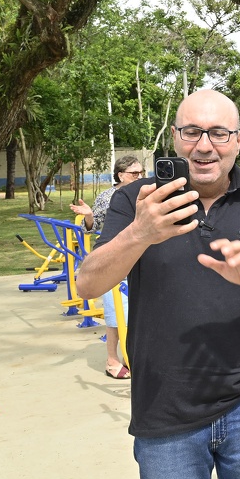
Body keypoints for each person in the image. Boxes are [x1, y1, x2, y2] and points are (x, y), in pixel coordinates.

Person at [76, 89, 240, 479]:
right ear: (174, 137)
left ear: (238, 141)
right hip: (164, 406)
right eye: (192, 132)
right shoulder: (138, 199)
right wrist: (140, 232)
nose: (204, 146)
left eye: (219, 133)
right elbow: (87, 284)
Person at [71, 155, 145, 380]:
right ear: (121, 174)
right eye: (134, 173)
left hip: (140, 258)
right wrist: (89, 216)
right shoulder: (108, 197)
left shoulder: (146, 192)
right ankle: (112, 360)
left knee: (138, 310)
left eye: (142, 173)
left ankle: (131, 356)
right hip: (115, 259)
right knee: (116, 311)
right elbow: (92, 228)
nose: (139, 177)